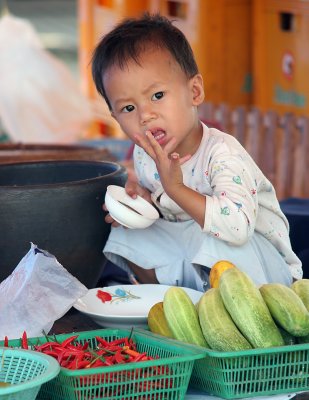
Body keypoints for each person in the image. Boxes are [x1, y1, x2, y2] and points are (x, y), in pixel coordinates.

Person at [91, 13, 302, 291]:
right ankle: (174, 302)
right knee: (129, 232)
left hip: (262, 273)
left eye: (157, 96)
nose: (145, 116)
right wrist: (145, 204)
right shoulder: (145, 155)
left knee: (217, 236)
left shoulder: (222, 155)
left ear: (195, 92)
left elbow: (236, 229)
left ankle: (222, 311)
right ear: (116, 118)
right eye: (129, 108)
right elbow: (170, 214)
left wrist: (175, 187)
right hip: (198, 258)